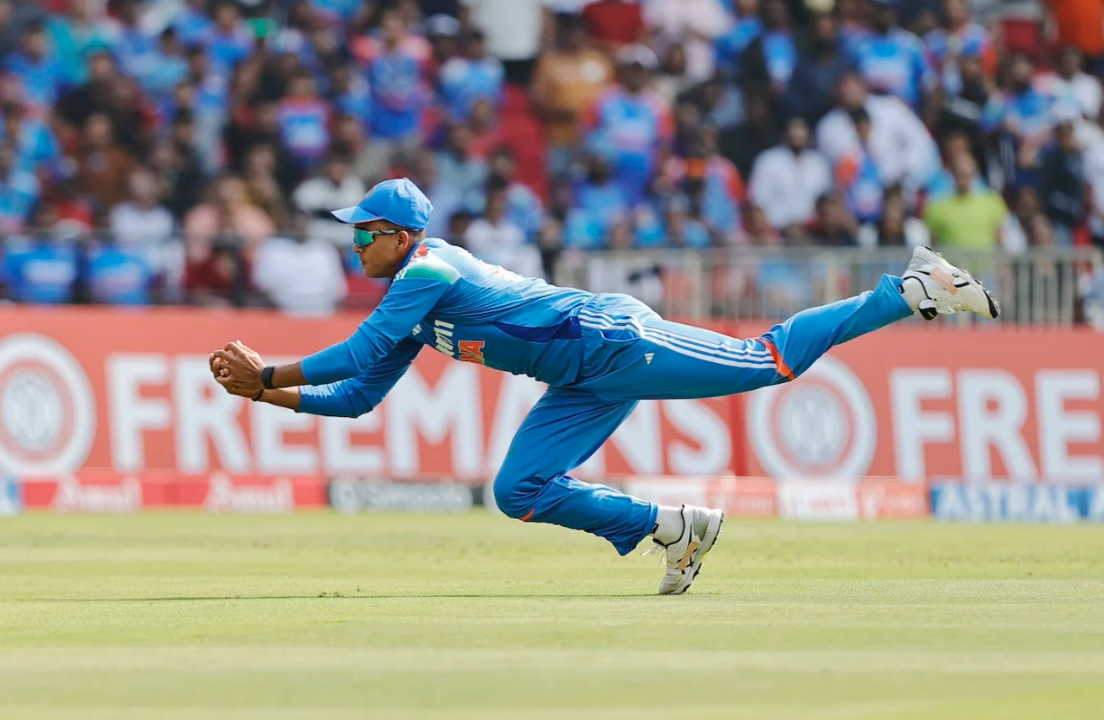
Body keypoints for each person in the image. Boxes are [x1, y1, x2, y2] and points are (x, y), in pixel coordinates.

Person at [210, 178, 1000, 595]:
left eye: (361, 234)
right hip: (575, 380)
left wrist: (269, 371)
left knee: (767, 361)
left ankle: (905, 289)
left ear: (398, 236)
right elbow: (356, 396)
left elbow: (355, 351)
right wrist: (263, 395)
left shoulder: (427, 268)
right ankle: (670, 529)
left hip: (609, 340)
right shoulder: (412, 302)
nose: (353, 247)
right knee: (518, 490)